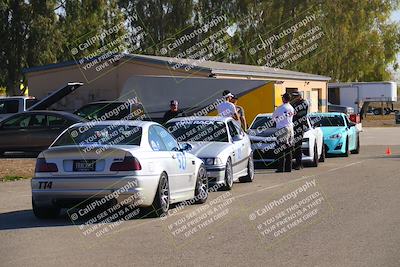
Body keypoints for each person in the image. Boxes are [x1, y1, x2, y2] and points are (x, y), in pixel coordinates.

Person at [272, 93, 294, 173]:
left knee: (281, 148)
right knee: (289, 147)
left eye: (282, 98)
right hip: (290, 128)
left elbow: (273, 118)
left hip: (282, 129)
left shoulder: (280, 108)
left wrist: (278, 120)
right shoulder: (291, 108)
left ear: (284, 99)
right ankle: (289, 167)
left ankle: (281, 168)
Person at [290, 91, 309, 170]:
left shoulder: (303, 103)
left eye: (295, 96)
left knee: (298, 146)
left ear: (299, 96)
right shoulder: (293, 103)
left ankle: (299, 164)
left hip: (299, 127)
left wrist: (293, 113)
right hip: (292, 127)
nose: (293, 98)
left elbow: (301, 114)